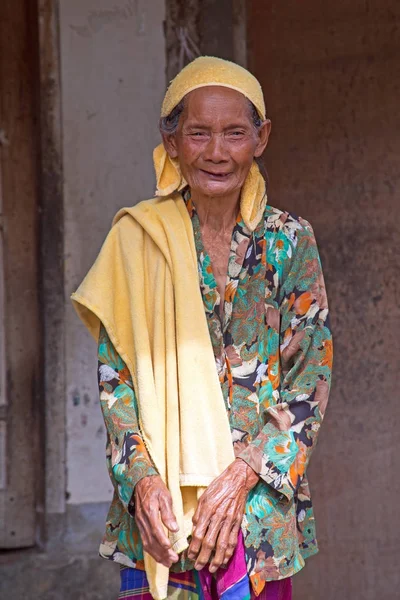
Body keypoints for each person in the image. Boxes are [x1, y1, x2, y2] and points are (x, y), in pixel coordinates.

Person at [72, 57, 332, 600]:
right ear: (171, 143)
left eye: (235, 133)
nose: (217, 152)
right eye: (199, 133)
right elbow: (116, 380)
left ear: (260, 139)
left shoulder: (288, 243)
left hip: (256, 519)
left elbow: (310, 382)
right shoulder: (137, 240)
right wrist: (142, 483)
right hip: (160, 520)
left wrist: (240, 477)